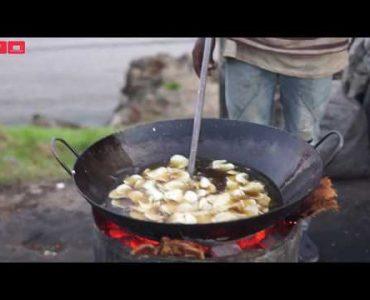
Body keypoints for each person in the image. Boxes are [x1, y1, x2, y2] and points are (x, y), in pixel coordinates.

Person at [192, 37, 350, 262]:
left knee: (304, 149)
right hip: (248, 46)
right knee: (244, 143)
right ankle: (242, 228)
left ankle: (296, 229)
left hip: (316, 51)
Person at [192, 38, 349, 144]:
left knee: (304, 140)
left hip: (316, 49)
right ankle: (251, 192)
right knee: (248, 139)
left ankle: (298, 192)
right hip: (248, 47)